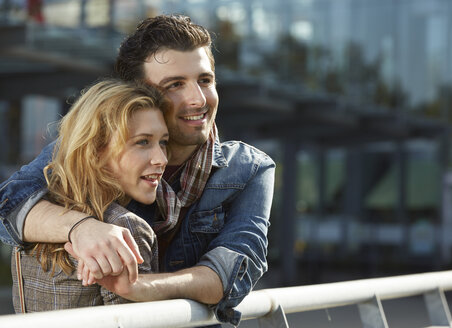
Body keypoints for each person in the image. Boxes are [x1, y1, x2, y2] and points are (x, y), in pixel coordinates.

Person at [0, 14, 275, 325]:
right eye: (175, 84)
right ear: (142, 92)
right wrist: (82, 227)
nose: (198, 99)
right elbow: (10, 203)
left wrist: (141, 287)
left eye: (205, 80)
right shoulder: (98, 148)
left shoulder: (249, 168)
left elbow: (231, 271)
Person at [11, 79, 169, 312]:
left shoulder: (32, 219)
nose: (162, 159)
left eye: (163, 142)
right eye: (143, 142)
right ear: (95, 150)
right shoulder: (124, 229)